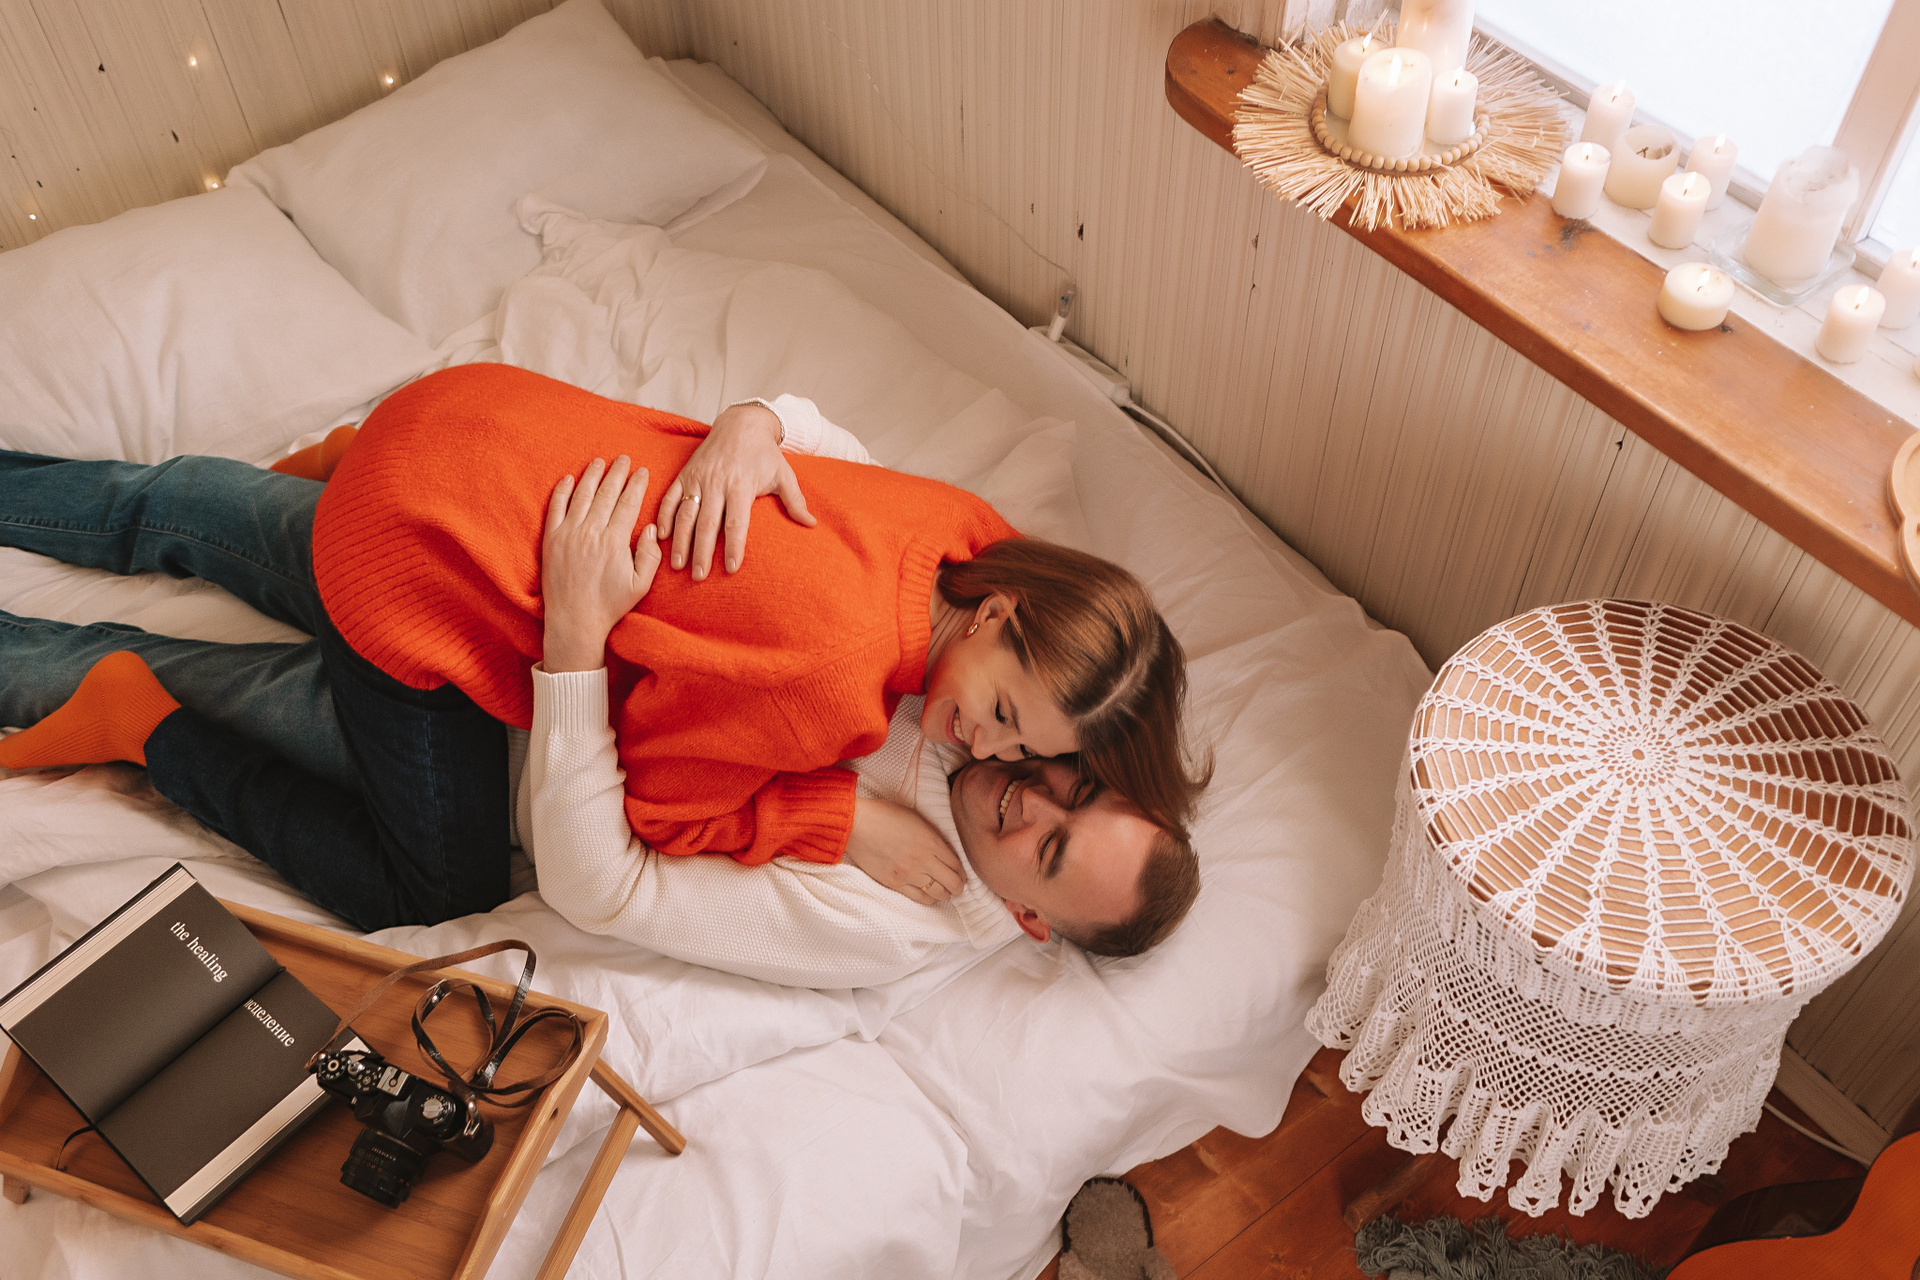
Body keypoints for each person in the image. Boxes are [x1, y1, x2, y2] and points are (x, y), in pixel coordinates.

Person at [0, 366, 1206, 941]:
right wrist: (827, 815)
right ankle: (140, 719)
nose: (989, 752)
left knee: (178, 510)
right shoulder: (836, 685)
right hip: (425, 572)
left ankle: (316, 470)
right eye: (1009, 715)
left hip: (463, 433)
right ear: (998, 619)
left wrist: (753, 423)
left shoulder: (963, 534)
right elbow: (659, 809)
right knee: (438, 899)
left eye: (1029, 758)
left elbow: (815, 462)